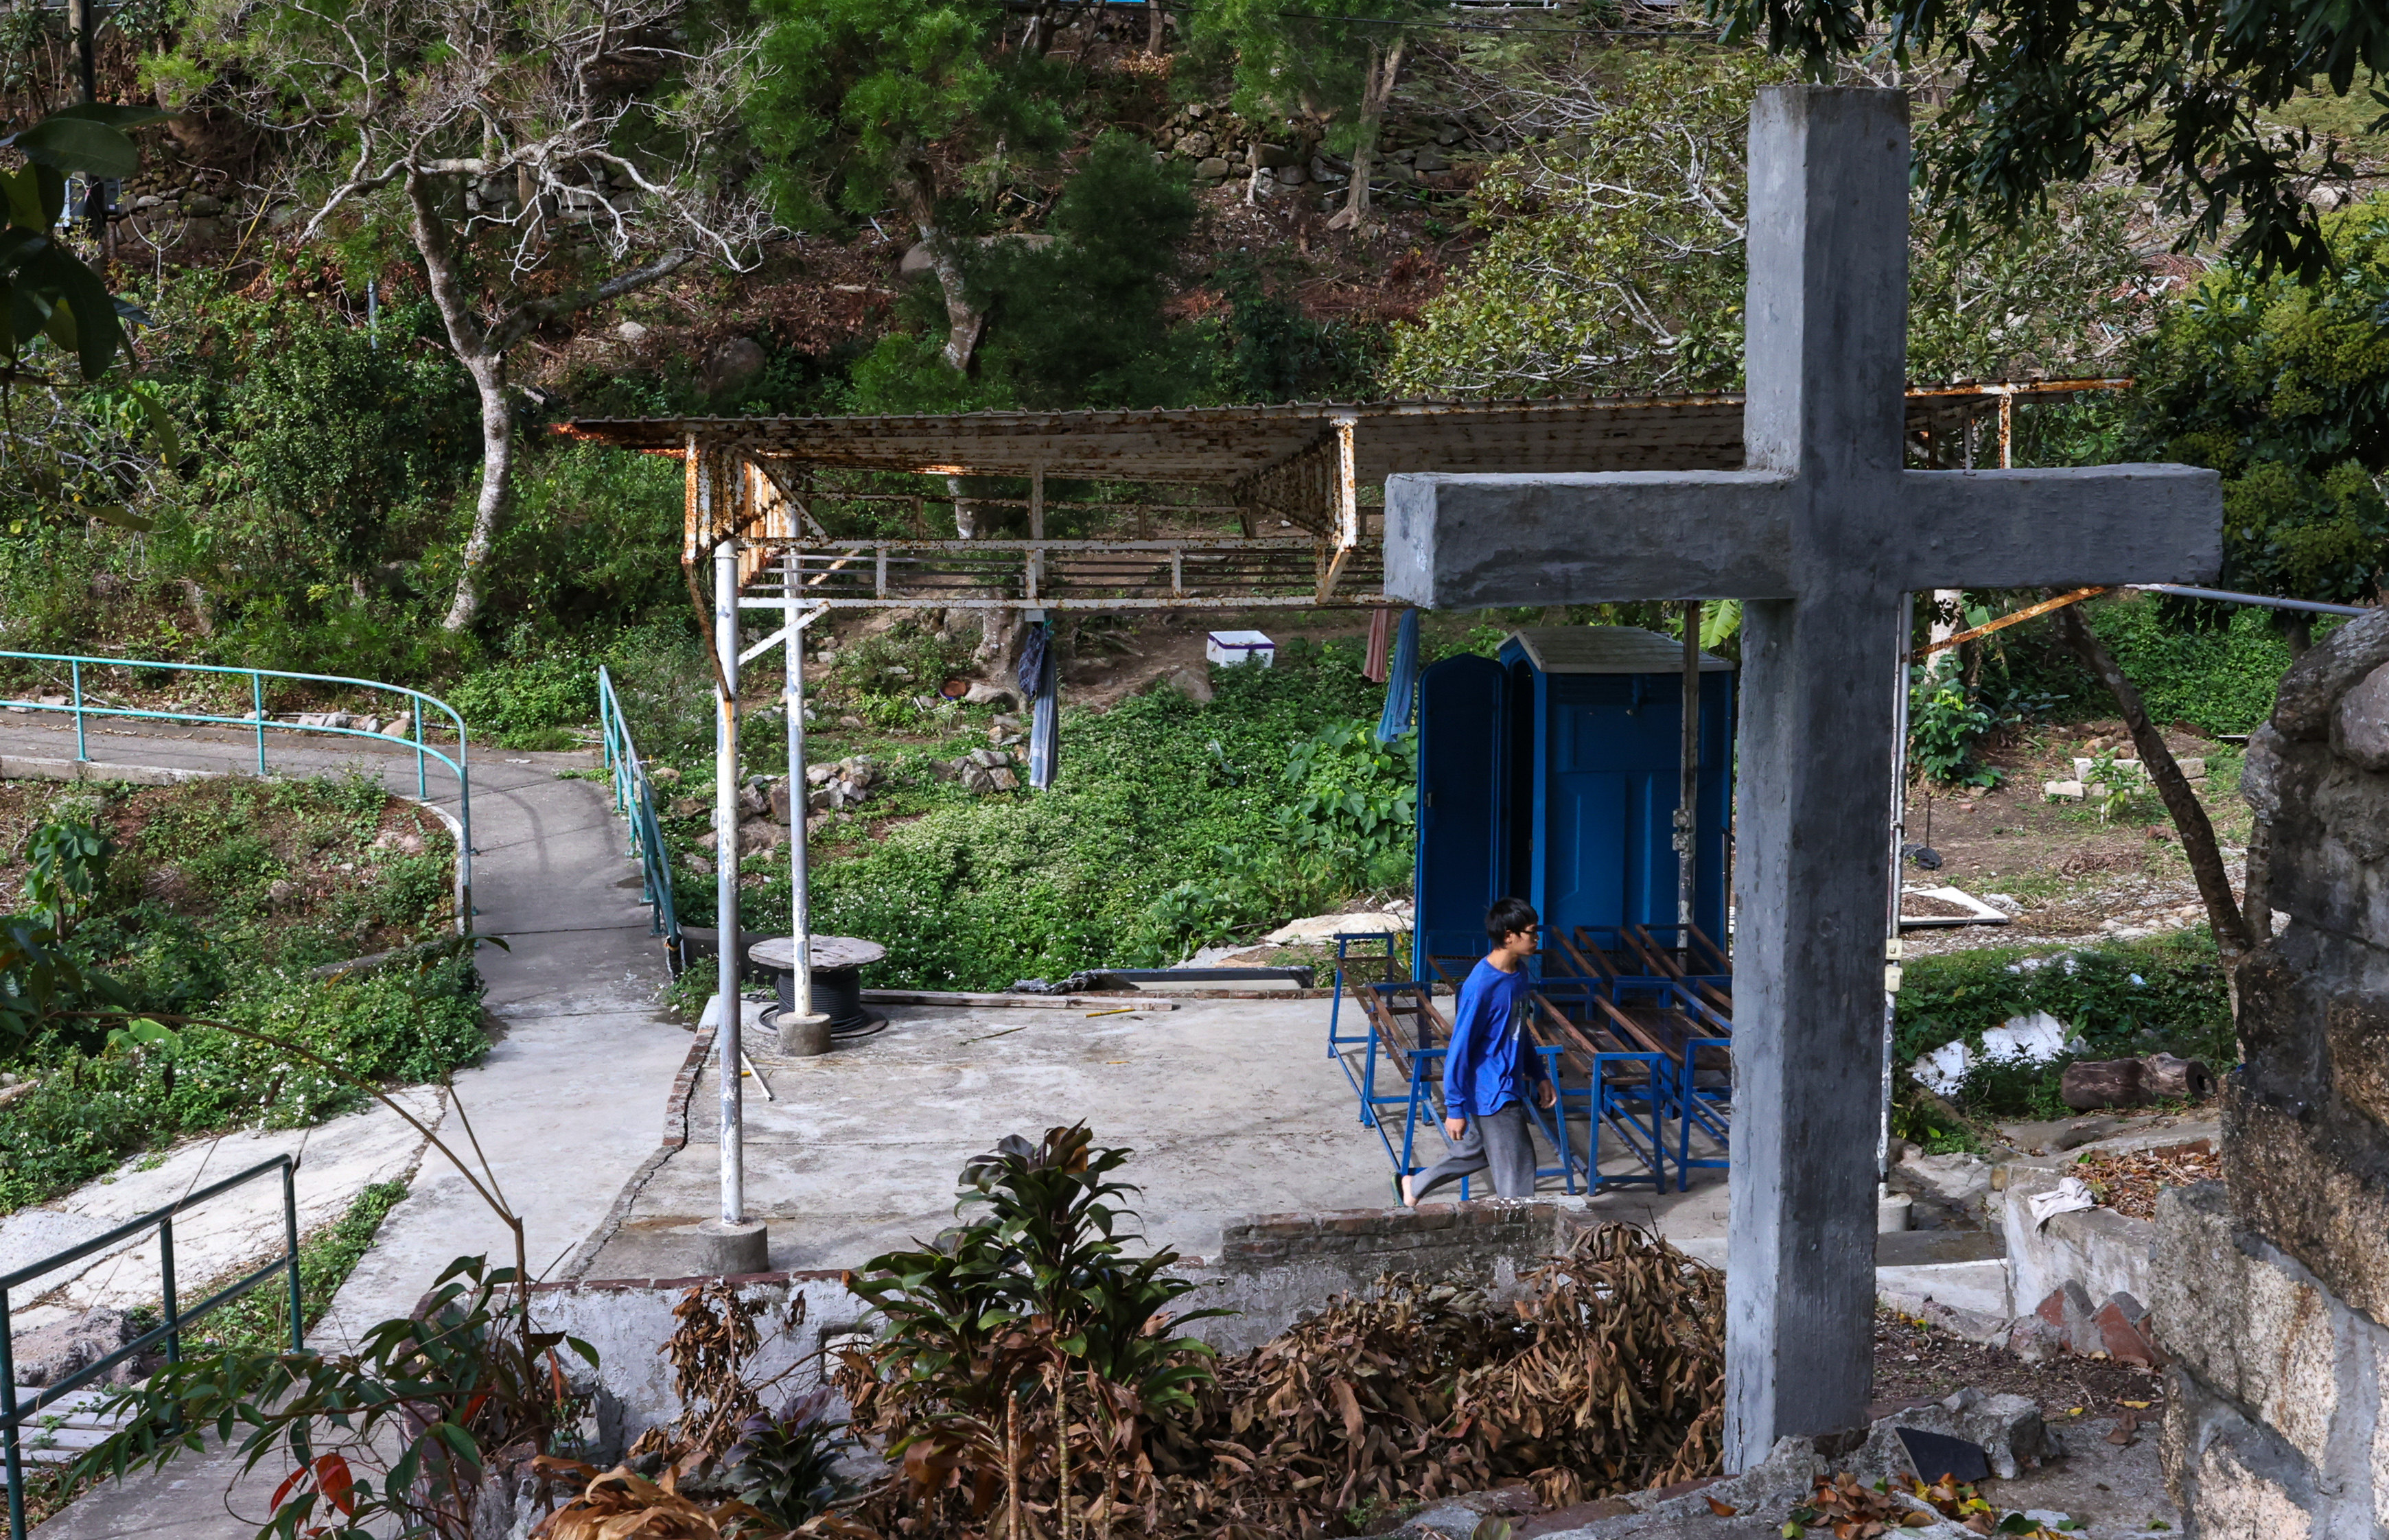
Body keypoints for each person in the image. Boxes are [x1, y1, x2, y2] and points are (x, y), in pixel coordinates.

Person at [1401, 896, 1555, 1206]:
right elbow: (1459, 1050)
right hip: (1492, 1090)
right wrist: (1454, 1108)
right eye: (1531, 932)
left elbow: (1518, 1030)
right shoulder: (1481, 986)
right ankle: (1518, 1237)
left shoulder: (1519, 974)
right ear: (1509, 936)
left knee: (1480, 1150)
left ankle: (1415, 1184)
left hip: (1506, 1083)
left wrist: (1539, 1074)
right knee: (1519, 1168)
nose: (1537, 938)